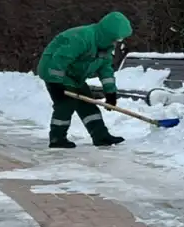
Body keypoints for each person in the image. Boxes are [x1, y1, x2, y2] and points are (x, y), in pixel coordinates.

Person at [36, 11, 133, 148]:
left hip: (75, 75)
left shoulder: (106, 47)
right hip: (54, 70)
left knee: (87, 104)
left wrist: (110, 92)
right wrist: (56, 82)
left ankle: (101, 136)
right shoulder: (82, 38)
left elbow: (105, 70)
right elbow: (60, 59)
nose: (118, 42)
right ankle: (57, 138)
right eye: (116, 39)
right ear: (107, 34)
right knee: (65, 103)